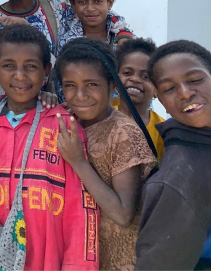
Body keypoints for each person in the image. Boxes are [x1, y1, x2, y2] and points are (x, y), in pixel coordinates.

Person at [0, 25, 99, 271]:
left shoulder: (63, 125)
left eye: (31, 66)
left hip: (48, 260)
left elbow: (80, 208)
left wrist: (78, 265)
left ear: (46, 71)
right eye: (9, 66)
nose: (20, 76)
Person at [55, 38, 156, 271]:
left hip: (115, 259)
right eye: (70, 85)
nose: (80, 95)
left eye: (91, 84)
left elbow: (123, 214)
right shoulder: (68, 122)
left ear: (112, 85)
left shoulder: (123, 132)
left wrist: (78, 161)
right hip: (75, 255)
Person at [135, 40, 211, 271]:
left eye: (195, 80)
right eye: (169, 89)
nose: (185, 93)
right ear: (163, 103)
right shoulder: (177, 182)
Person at [57, 0, 133, 56]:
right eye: (82, 2)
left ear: (110, 3)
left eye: (97, 1)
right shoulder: (67, 43)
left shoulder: (125, 40)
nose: (90, 8)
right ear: (73, 4)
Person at [115, 38, 165, 161]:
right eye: (127, 73)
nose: (135, 79)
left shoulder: (163, 130)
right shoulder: (100, 119)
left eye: (145, 76)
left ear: (157, 89)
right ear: (115, 79)